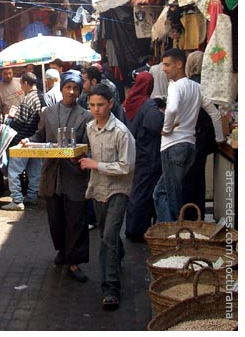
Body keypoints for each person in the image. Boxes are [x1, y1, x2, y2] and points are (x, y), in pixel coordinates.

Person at [20, 70, 93, 283]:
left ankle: (74, 261)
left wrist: (81, 158)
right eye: (68, 87)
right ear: (61, 88)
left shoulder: (86, 116)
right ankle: (62, 250)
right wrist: (28, 141)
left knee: (77, 219)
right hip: (52, 173)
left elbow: (89, 146)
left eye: (76, 88)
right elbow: (40, 136)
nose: (71, 91)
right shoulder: (48, 112)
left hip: (75, 174)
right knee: (55, 218)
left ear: (80, 92)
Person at [79, 83, 136, 310]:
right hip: (98, 189)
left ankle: (111, 288)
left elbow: (127, 166)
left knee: (108, 237)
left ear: (110, 104)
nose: (95, 109)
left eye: (100, 105)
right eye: (92, 105)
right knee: (106, 235)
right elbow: (91, 154)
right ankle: (118, 254)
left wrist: (96, 164)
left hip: (118, 190)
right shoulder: (90, 128)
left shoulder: (122, 132)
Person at [153, 48, 225, 222]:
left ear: (180, 65)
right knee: (167, 192)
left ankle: (174, 235)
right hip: (190, 147)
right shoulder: (197, 87)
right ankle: (176, 233)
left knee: (169, 195)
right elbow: (215, 114)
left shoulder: (175, 87)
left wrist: (167, 128)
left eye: (167, 65)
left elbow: (172, 109)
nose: (164, 69)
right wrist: (220, 138)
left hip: (173, 146)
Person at [182, 51, 219, 220]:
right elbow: (215, 113)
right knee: (198, 179)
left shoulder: (188, 85)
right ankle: (199, 216)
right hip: (203, 138)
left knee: (189, 180)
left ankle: (190, 217)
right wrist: (219, 137)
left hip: (191, 137)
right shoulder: (208, 85)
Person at [2, 72, 46, 210]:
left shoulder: (28, 100)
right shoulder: (41, 97)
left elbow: (20, 122)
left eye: (21, 84)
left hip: (22, 141)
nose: (21, 87)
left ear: (26, 83)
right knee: (34, 171)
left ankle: (17, 200)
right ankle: (32, 196)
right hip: (36, 140)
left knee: (14, 172)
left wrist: (10, 120)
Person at [125, 97, 166, 241]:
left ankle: (134, 228)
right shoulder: (151, 109)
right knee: (143, 193)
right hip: (148, 157)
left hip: (142, 154)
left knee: (140, 192)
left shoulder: (139, 103)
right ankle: (136, 230)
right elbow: (156, 127)